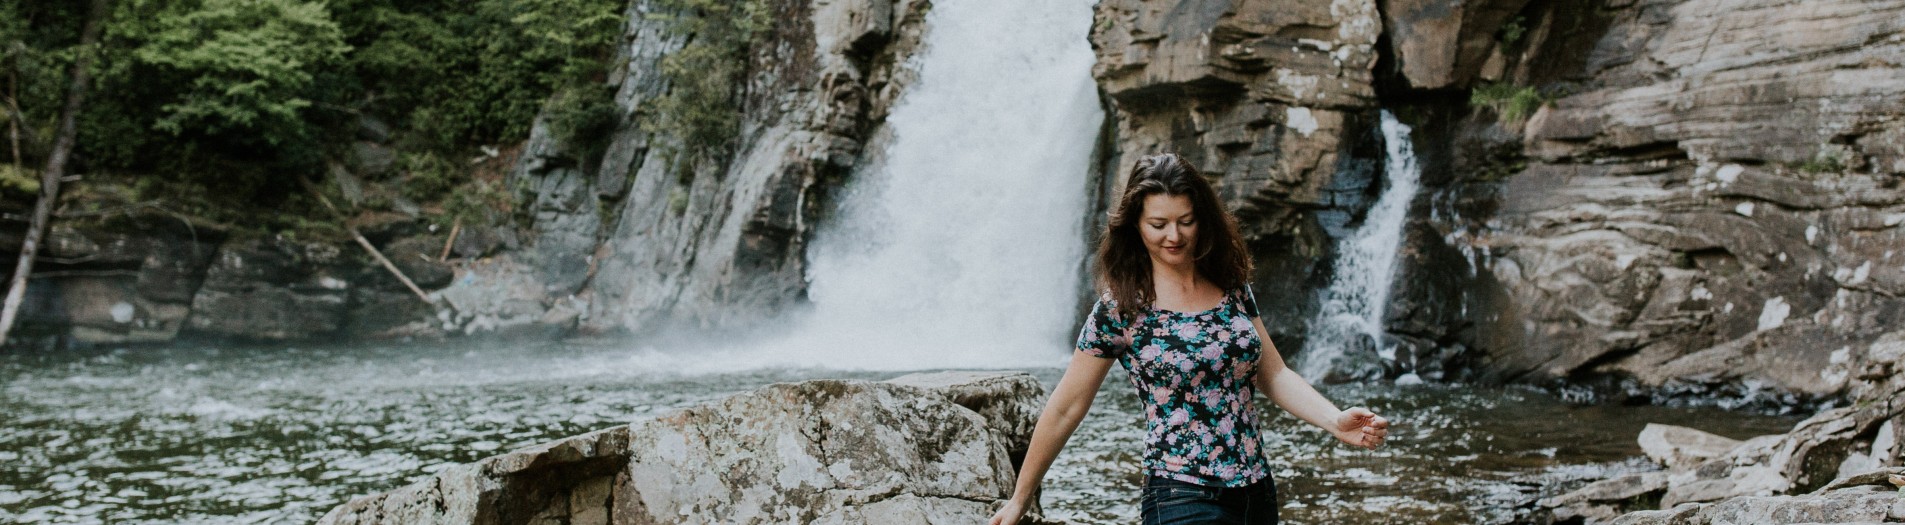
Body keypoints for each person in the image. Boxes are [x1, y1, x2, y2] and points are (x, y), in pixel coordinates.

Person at [989, 153, 1391, 525]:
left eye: (1185, 220)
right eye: (1158, 224)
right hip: (1180, 494)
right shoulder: (1121, 309)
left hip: (1256, 493)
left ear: (1203, 218)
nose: (1174, 236)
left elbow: (1274, 374)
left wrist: (1334, 421)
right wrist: (1019, 498)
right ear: (1135, 226)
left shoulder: (1231, 286)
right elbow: (1067, 406)